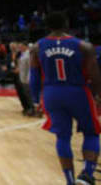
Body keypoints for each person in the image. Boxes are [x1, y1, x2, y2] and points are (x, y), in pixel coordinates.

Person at [30, 12, 101, 185]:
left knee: (62, 137)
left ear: (47, 26)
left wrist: (35, 100)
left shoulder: (37, 47)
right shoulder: (84, 46)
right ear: (67, 24)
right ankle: (87, 175)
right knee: (91, 133)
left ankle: (70, 181)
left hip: (52, 93)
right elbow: (95, 75)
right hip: (77, 91)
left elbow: (34, 77)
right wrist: (98, 96)